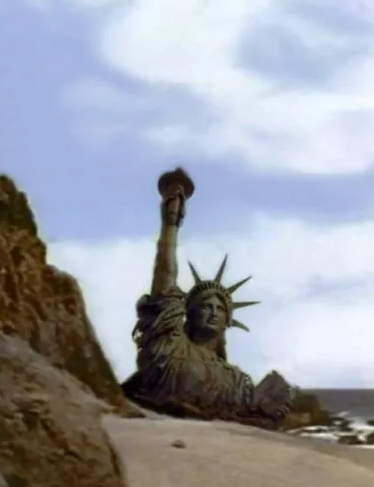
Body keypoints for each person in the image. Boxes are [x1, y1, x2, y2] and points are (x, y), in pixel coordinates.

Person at [120, 168, 292, 429]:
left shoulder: (237, 381)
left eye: (218, 308)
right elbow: (165, 280)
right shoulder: (172, 347)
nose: (212, 311)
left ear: (227, 320)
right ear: (188, 312)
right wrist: (170, 225)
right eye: (205, 306)